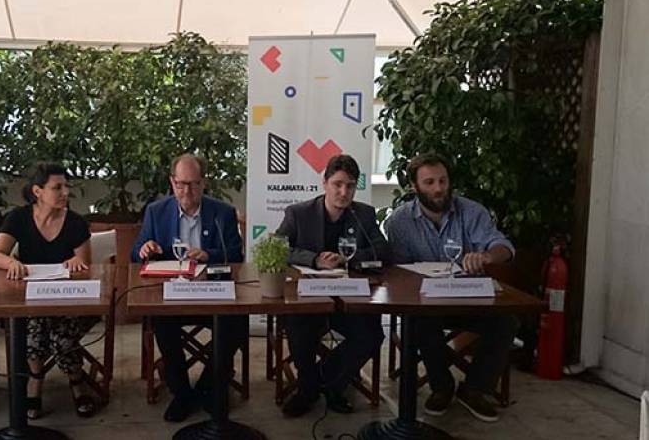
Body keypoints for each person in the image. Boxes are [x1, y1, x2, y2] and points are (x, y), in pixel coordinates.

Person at [384, 153, 517, 423]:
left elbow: (504, 247)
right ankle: (441, 386)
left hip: (468, 300)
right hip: (425, 303)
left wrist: (487, 256)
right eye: (429, 182)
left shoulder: (472, 212)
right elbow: (397, 272)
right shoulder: (399, 221)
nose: (438, 189)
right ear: (414, 187)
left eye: (443, 181)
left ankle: (475, 389)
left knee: (507, 320)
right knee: (418, 321)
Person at [131, 154, 247, 423]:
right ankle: (182, 393)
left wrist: (208, 255)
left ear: (203, 183)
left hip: (212, 295)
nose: (187, 191)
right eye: (181, 184)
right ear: (172, 182)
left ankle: (210, 387)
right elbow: (135, 253)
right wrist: (145, 249)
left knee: (236, 321)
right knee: (162, 322)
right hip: (173, 296)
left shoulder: (222, 212)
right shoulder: (156, 211)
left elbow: (236, 255)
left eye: (194, 184)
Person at [275, 154, 390, 417]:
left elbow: (383, 250)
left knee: (372, 334)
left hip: (350, 299)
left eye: (350, 186)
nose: (343, 192)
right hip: (310, 299)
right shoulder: (299, 213)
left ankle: (328, 383)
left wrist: (348, 258)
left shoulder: (363, 214)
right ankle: (307, 391)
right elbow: (279, 248)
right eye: (337, 184)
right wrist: (314, 259)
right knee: (298, 327)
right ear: (324, 183)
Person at [0, 162, 100, 419]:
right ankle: (36, 380)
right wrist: (11, 262)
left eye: (66, 186)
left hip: (71, 301)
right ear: (37, 191)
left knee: (61, 338)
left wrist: (76, 263)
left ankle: (77, 382)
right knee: (34, 331)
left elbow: (85, 265)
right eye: (57, 187)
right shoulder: (18, 218)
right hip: (32, 299)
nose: (65, 192)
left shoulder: (75, 222)